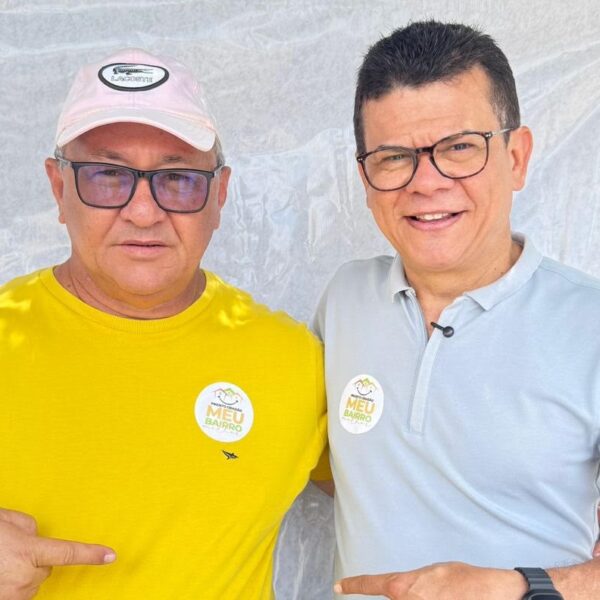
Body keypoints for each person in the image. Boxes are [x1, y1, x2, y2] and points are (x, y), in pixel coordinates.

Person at [0, 47, 329, 599]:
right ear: (59, 188)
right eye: (108, 176)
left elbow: (421, 490)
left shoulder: (297, 363)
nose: (144, 211)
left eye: (177, 179)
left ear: (219, 195)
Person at [313, 20, 600, 599]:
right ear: (365, 177)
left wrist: (517, 587)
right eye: (394, 157)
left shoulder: (590, 325)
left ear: (516, 157)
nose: (426, 183)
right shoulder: (344, 300)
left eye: (459, 148)